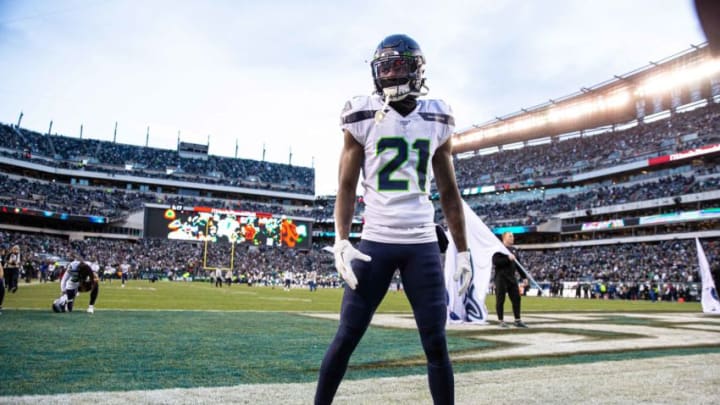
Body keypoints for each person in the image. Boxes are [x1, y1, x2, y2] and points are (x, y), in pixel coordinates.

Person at [315, 34, 470, 405]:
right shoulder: (362, 113)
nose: (391, 73)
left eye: (399, 65)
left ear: (417, 70)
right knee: (346, 336)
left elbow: (449, 192)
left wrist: (462, 251)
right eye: (385, 66)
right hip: (376, 243)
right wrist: (341, 239)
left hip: (421, 243)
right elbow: (347, 186)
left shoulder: (437, 115)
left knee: (436, 343)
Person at [492, 232, 527, 328]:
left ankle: (517, 320)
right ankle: (501, 321)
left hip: (512, 278)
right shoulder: (499, 249)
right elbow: (496, 262)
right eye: (510, 236)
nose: (512, 238)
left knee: (517, 298)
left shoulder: (514, 250)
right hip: (501, 278)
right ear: (504, 238)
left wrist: (524, 277)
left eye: (513, 236)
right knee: (500, 299)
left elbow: (518, 265)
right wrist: (508, 258)